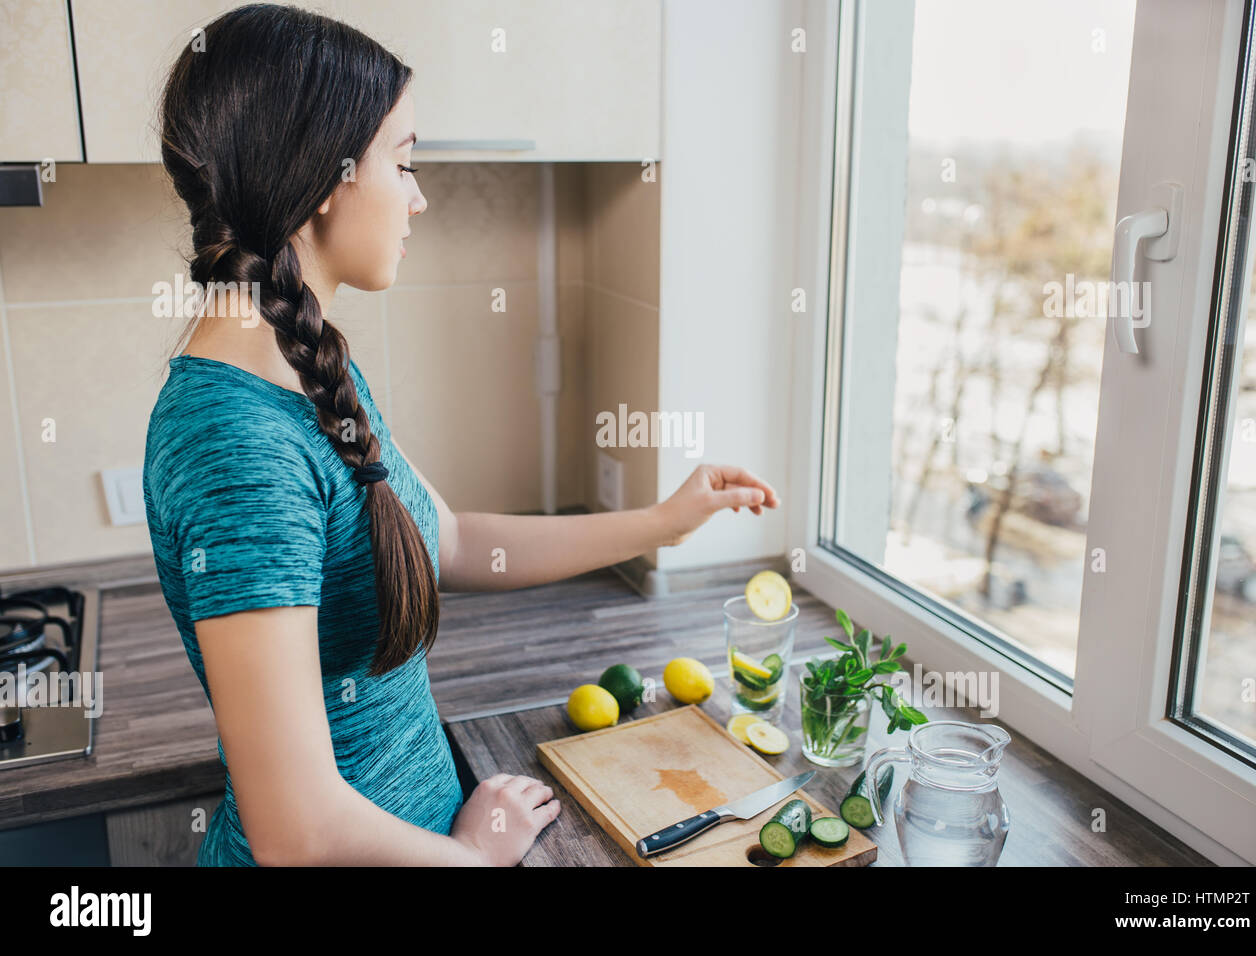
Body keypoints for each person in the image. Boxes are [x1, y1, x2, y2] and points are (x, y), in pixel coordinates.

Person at [143, 2, 779, 866]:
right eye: (402, 164)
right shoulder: (238, 444)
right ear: (326, 179)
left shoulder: (304, 362)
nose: (419, 196)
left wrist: (662, 523)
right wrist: (478, 858)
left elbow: (449, 539)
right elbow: (298, 830)